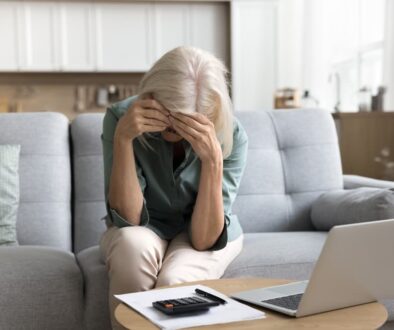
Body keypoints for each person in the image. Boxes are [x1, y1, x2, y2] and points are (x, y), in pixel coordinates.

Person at [99, 46, 248, 329]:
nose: (176, 135)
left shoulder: (233, 134)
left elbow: (203, 240)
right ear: (149, 97)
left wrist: (213, 162)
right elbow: (127, 220)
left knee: (175, 283)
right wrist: (123, 140)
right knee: (132, 247)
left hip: (203, 231)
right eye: (168, 125)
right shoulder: (121, 116)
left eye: (189, 126)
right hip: (143, 227)